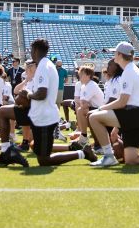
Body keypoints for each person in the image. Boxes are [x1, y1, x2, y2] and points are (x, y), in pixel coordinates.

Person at [15, 38, 94, 167]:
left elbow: (41, 93)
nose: (30, 52)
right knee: (34, 146)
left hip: (45, 117)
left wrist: (28, 94)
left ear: (35, 50)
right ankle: (72, 149)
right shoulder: (44, 64)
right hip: (41, 115)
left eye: (31, 50)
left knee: (44, 160)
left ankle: (83, 153)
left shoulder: (43, 66)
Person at [88, 42, 139, 167]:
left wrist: (101, 108)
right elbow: (126, 102)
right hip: (138, 115)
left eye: (115, 53)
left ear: (119, 54)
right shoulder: (131, 70)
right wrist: (116, 127)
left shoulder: (128, 71)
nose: (113, 56)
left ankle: (108, 156)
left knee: (93, 117)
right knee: (132, 159)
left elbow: (123, 102)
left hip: (135, 113)